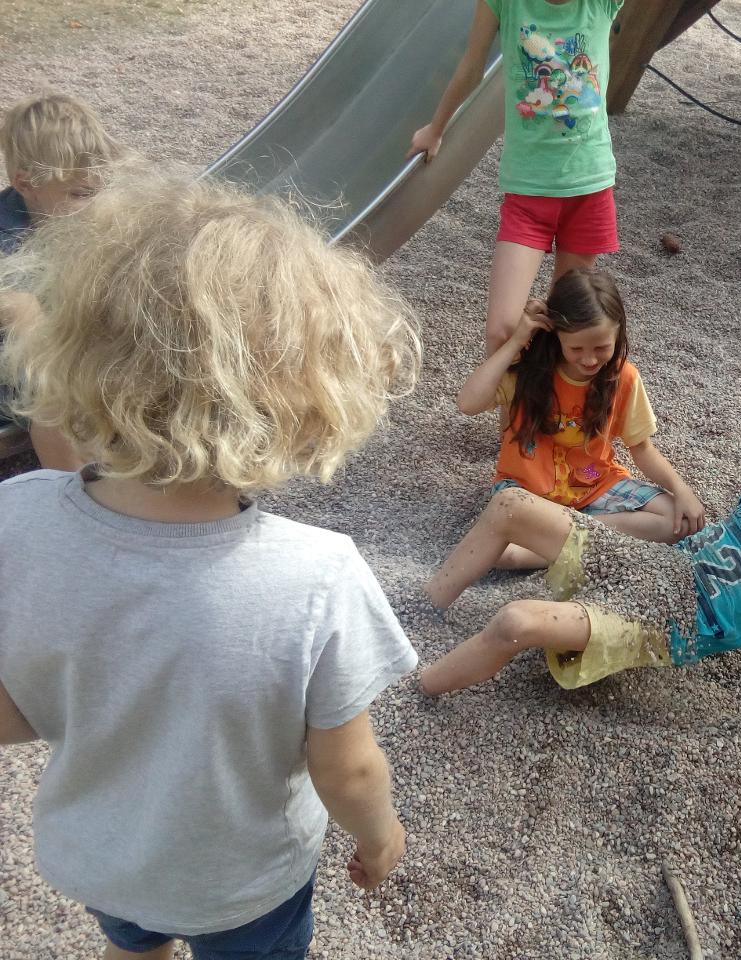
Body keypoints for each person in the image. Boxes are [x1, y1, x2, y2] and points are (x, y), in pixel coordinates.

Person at [0, 168, 422, 960]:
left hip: (103, 860)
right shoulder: (318, 578)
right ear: (301, 404)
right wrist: (381, 834)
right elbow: (349, 773)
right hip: (242, 886)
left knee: (133, 944)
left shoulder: (16, 518)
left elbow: (12, 710)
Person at [419, 400, 741, 763]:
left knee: (515, 622)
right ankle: (423, 606)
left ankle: (416, 688)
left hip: (672, 623)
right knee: (511, 504)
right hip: (656, 566)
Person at [408, 0, 624, 353]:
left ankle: (542, 392)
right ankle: (508, 392)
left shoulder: (599, 4)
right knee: (503, 331)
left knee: (568, 327)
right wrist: (436, 128)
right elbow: (472, 66)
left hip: (588, 188)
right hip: (529, 192)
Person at [459, 267, 703, 568]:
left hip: (594, 484)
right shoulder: (530, 371)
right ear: (557, 336)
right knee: (503, 547)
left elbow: (642, 449)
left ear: (617, 334)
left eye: (601, 347)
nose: (589, 359)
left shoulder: (623, 377)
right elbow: (468, 404)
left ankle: (564, 539)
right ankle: (582, 538)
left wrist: (682, 490)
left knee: (678, 519)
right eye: (576, 348)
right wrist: (516, 340)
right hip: (527, 492)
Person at [1, 91, 121, 470]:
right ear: (25, 183)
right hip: (19, 370)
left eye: (99, 191)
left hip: (61, 352)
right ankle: (73, 485)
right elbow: (18, 314)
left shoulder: (74, 218)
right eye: (80, 194)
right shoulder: (7, 232)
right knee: (55, 396)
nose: (94, 204)